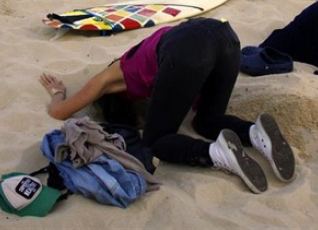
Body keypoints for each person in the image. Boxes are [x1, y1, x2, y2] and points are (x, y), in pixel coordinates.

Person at [39, 17, 296, 193]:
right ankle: (254, 132)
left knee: (156, 139)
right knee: (208, 121)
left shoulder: (107, 78)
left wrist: (57, 92)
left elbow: (58, 112)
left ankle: (215, 154)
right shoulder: (143, 58)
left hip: (189, 48)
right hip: (226, 37)